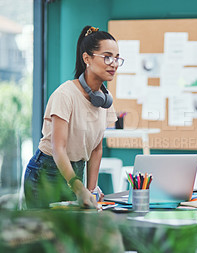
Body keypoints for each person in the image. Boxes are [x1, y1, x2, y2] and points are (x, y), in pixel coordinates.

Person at [24, 25, 124, 208]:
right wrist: (79, 188)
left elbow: (96, 149)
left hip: (75, 173)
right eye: (108, 57)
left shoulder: (104, 100)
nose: (114, 64)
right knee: (47, 234)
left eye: (117, 58)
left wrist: (91, 189)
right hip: (48, 173)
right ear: (87, 58)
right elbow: (58, 149)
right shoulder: (65, 95)